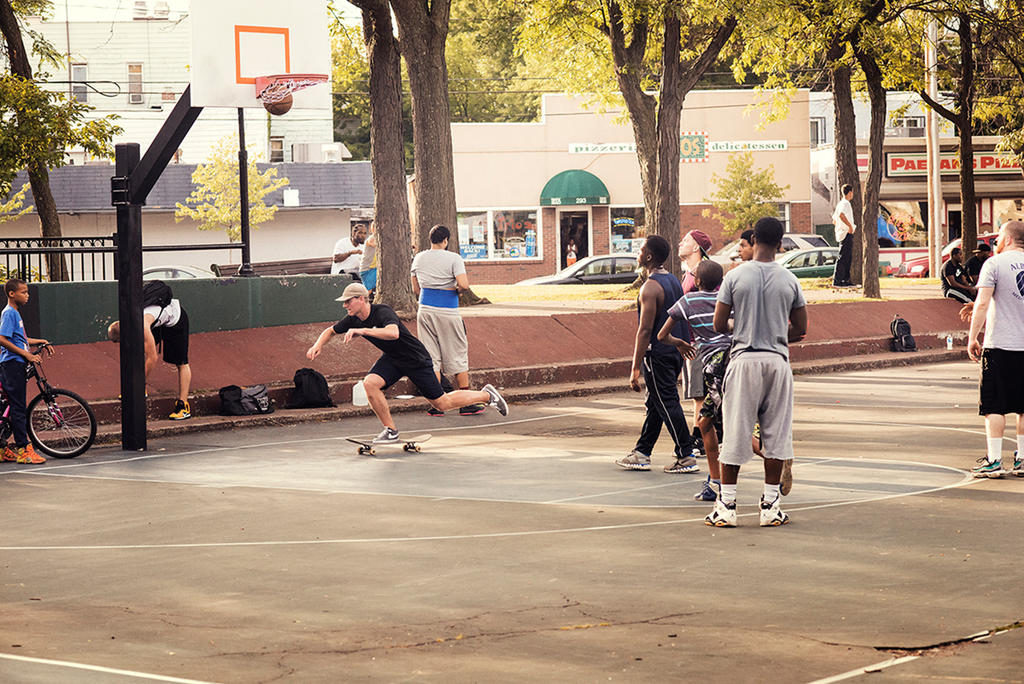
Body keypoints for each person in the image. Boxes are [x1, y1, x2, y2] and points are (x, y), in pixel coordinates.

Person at [306, 282, 507, 444]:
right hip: (393, 359)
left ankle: (486, 395)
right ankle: (390, 431)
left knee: (441, 403)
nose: (345, 306)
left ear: (361, 299)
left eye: (348, 301)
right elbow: (330, 331)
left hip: (415, 358)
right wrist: (318, 345)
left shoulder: (382, 311)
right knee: (370, 384)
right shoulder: (352, 319)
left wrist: (364, 331)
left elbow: (393, 333)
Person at [706, 217, 807, 528]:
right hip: (776, 360)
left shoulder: (735, 276)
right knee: (776, 434)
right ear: (780, 244)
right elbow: (801, 328)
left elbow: (718, 324)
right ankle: (770, 506)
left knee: (735, 433)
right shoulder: (790, 279)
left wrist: (742, 327)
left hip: (744, 360)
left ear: (754, 240)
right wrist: (774, 332)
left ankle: (727, 506)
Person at [615, 235, 697, 474]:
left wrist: (635, 368)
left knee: (667, 402)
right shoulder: (672, 281)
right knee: (655, 403)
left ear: (649, 256)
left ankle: (686, 454)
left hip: (658, 354)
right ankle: (642, 452)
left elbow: (645, 331)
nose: (638, 253)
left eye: (641, 249)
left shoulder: (650, 288)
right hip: (674, 351)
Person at [657, 260, 731, 500]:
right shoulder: (727, 299)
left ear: (696, 281)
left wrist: (679, 343)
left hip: (713, 365)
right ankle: (716, 482)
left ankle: (770, 455)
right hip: (734, 359)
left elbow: (662, 335)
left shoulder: (688, 301)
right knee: (714, 421)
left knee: (717, 423)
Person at [967, 220, 1024, 478]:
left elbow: (982, 303)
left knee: (994, 405)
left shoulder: (994, 264)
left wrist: (972, 337)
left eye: (999, 237)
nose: (996, 241)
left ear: (1008, 239)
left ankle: (994, 461)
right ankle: (1022, 459)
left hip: (1000, 344)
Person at [410, 224, 486, 417]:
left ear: (430, 239)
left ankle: (437, 403)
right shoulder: (454, 258)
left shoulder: (419, 258)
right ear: (446, 240)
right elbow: (464, 285)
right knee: (458, 353)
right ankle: (466, 402)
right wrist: (456, 291)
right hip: (447, 310)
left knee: (431, 357)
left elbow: (416, 289)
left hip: (425, 310)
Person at [107, 291, 193, 420]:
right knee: (137, 351)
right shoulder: (128, 318)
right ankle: (142, 389)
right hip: (157, 319)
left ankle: (183, 406)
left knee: (181, 363)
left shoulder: (143, 325)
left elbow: (153, 358)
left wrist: (137, 383)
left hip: (176, 318)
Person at [0, 279, 51, 464]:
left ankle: (1, 448)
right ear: (12, 294)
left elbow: (19, 338)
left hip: (16, 362)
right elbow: (2, 339)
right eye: (23, 292)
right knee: (18, 406)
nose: (27, 295)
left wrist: (39, 341)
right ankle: (23, 450)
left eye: (27, 292)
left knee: (8, 405)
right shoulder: (9, 313)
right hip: (12, 364)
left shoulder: (15, 313)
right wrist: (27, 355)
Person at [678, 229, 713, 455]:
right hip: (690, 341)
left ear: (696, 247)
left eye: (686, 240)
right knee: (697, 395)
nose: (681, 243)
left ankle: (700, 438)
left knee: (700, 394)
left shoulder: (703, 274)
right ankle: (700, 435)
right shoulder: (689, 274)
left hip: (699, 342)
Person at [832, 184, 856, 287]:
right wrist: (849, 226)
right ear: (850, 193)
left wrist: (840, 227)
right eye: (852, 192)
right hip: (846, 233)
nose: (852, 194)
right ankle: (838, 280)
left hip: (842, 233)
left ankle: (846, 279)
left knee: (847, 257)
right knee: (843, 257)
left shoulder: (840, 204)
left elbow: (834, 220)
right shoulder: (845, 203)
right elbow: (841, 215)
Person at [358, 222, 378, 296]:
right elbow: (375, 244)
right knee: (368, 291)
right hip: (367, 269)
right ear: (372, 229)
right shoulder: (371, 238)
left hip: (374, 268)